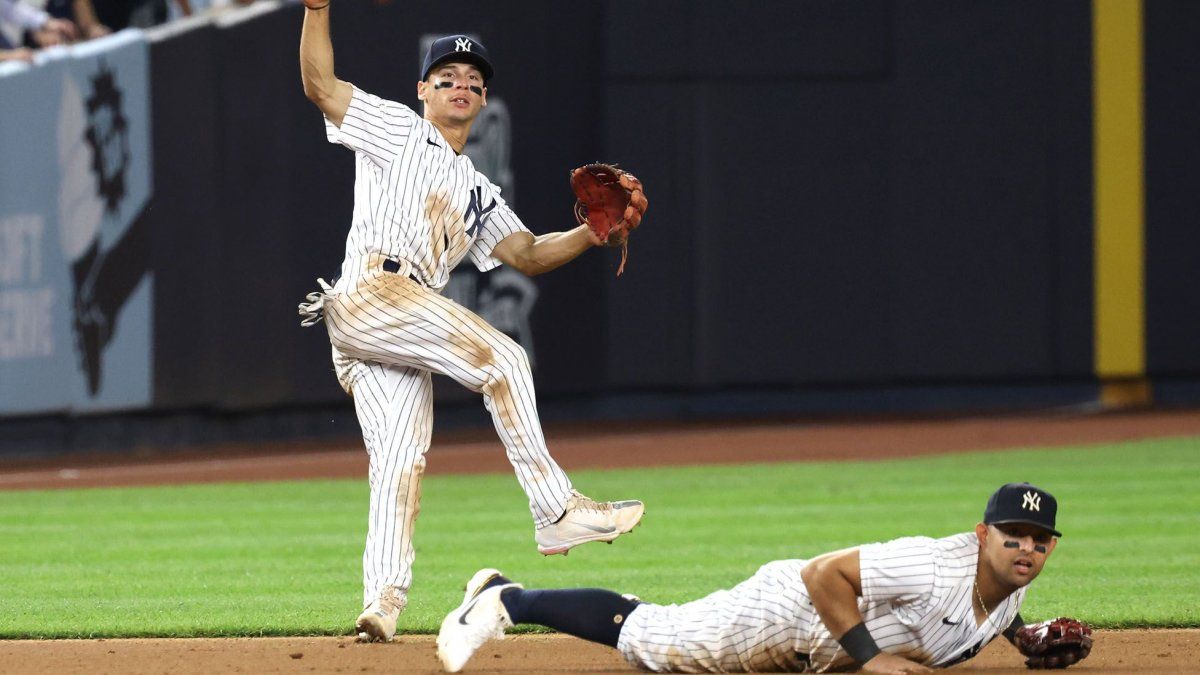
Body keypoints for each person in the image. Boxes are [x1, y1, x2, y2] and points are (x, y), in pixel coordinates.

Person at [295, 0, 648, 643]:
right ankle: (556, 510)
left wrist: (591, 235)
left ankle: (382, 605)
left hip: (393, 321)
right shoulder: (396, 128)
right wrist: (317, 8)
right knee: (505, 360)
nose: (461, 86)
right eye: (447, 77)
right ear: (423, 90)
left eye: (473, 81)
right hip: (372, 290)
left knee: (401, 460)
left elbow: (528, 253)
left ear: (483, 101)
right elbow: (321, 85)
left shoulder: (478, 188)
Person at [437, 482, 1090, 673]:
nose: (1025, 549)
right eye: (1012, 536)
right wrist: (874, 659)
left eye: (1037, 540)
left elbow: (988, 606)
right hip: (791, 612)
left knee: (660, 627)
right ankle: (506, 595)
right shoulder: (932, 562)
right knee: (651, 641)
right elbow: (821, 572)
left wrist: (1025, 636)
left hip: (816, 640)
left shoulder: (1009, 581)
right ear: (983, 534)